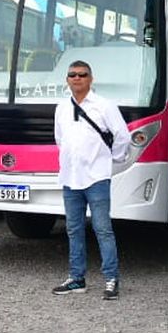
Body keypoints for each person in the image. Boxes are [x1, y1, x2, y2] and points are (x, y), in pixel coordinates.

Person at [51, 59, 132, 300]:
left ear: (91, 79)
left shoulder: (104, 105)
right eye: (72, 75)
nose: (77, 78)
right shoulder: (61, 108)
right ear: (67, 80)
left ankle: (111, 278)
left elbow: (122, 137)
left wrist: (109, 159)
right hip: (70, 177)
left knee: (102, 229)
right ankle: (77, 279)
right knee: (73, 230)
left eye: (82, 74)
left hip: (96, 177)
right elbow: (60, 139)